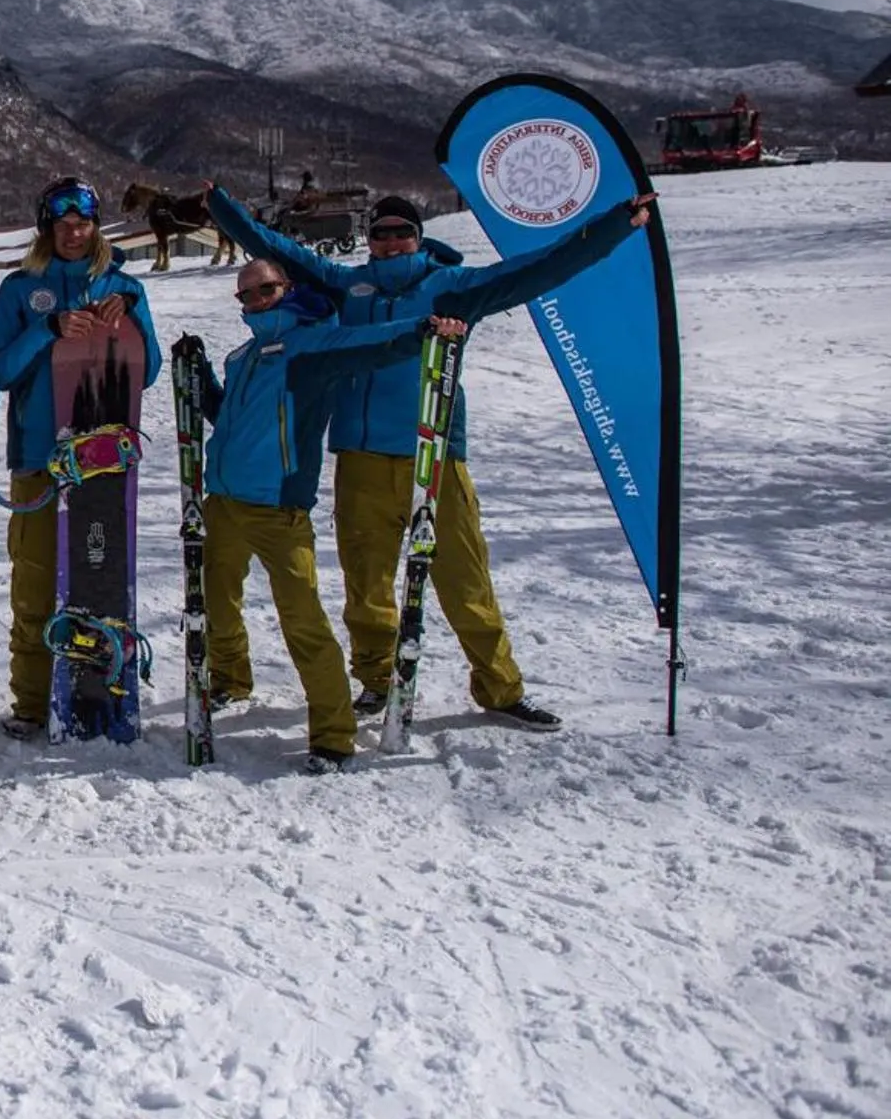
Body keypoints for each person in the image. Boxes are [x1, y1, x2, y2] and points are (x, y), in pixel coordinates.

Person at [204, 185, 656, 729]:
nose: (391, 243)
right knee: (366, 585)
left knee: (464, 580)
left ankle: (500, 687)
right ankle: (375, 679)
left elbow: (539, 269)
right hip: (362, 458)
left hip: (433, 455)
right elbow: (274, 246)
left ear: (419, 238)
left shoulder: (453, 288)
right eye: (380, 233)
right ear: (368, 241)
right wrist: (223, 208)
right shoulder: (350, 288)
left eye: (402, 233)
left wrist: (612, 226)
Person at [185, 258, 468, 772]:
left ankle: (334, 736)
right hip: (222, 501)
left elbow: (373, 343)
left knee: (303, 622)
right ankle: (230, 678)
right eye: (246, 295)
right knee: (216, 601)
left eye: (265, 289)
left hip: (278, 508)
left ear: (286, 288)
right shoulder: (244, 354)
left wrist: (424, 328)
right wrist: (201, 377)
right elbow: (231, 418)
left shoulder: (310, 344)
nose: (255, 300)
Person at [0, 177, 162, 739]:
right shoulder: (19, 287)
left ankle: (102, 689)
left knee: (99, 585)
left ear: (95, 226)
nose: (73, 232)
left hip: (102, 463)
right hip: (38, 457)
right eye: (61, 224)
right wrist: (49, 329)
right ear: (46, 229)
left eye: (82, 223)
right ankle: (34, 702)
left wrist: (129, 311)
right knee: (35, 587)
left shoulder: (123, 286)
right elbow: (1, 370)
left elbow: (148, 370)